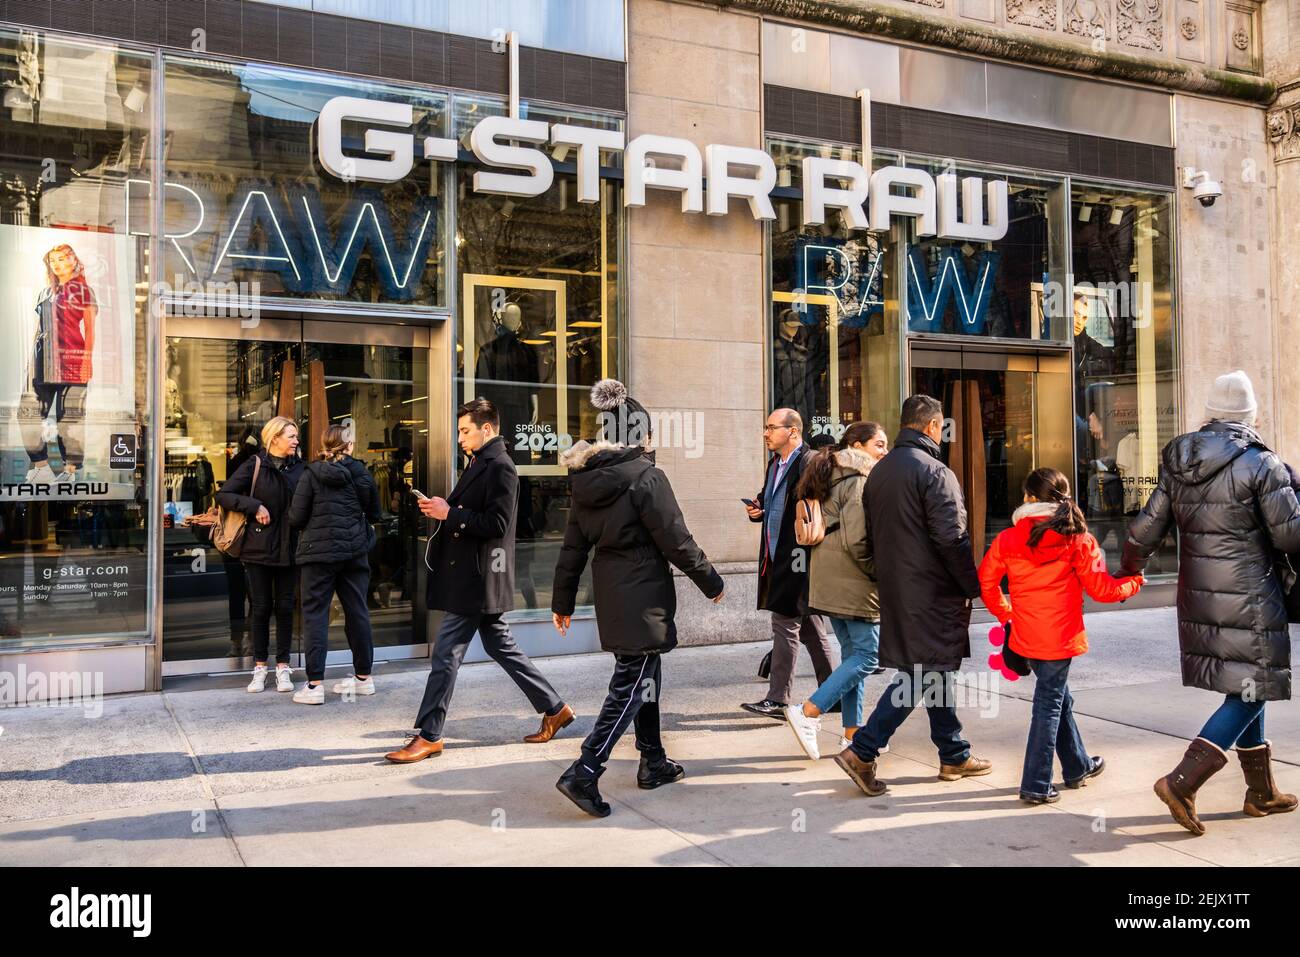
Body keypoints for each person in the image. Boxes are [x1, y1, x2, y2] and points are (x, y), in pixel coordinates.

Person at [1121, 370, 1300, 835]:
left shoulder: (1179, 462)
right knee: (1253, 685)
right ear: (1250, 415)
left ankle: (1261, 793)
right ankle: (1182, 782)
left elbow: (1145, 530)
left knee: (1246, 683)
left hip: (1198, 594)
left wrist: (1130, 566)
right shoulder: (1262, 464)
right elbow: (1290, 535)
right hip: (1252, 597)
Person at [551, 380, 724, 817]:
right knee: (630, 687)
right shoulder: (647, 477)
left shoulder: (586, 479)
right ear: (640, 436)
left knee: (644, 677)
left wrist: (562, 602)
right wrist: (712, 581)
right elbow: (676, 539)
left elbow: (573, 548)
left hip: (612, 595)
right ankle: (585, 770)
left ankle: (653, 761)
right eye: (649, 434)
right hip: (643, 596)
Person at [386, 399, 573, 763]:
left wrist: (449, 513)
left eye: (465, 430)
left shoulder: (500, 466)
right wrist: (445, 507)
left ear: (486, 429)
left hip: (478, 578)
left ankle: (429, 735)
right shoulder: (481, 463)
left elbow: (498, 525)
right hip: (475, 577)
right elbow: (473, 514)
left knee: (445, 654)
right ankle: (555, 709)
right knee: (501, 647)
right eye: (459, 431)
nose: (460, 438)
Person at [834, 394, 992, 797]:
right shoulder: (936, 472)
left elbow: (868, 537)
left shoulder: (879, 472)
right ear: (933, 427)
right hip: (933, 591)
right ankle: (863, 749)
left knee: (934, 667)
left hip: (898, 589)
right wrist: (971, 587)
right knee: (922, 672)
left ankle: (953, 752)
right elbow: (952, 539)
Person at [979, 467, 1143, 804]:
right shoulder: (1078, 538)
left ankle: (1077, 766)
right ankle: (1036, 783)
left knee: (1058, 699)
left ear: (1028, 498)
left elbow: (987, 582)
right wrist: (1134, 582)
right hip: (1060, 637)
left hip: (1025, 635)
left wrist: (1006, 613)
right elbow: (1101, 589)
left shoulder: (1009, 538)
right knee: (1050, 704)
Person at [784, 421, 889, 761]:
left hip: (828, 579)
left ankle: (852, 734)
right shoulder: (858, 479)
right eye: (879, 444)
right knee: (868, 656)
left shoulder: (828, 473)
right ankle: (809, 711)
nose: (884, 451)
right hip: (853, 580)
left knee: (853, 655)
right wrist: (879, 574)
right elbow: (859, 540)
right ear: (857, 446)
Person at [741, 408, 834, 719]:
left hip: (799, 558)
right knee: (810, 628)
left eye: (771, 428)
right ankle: (833, 694)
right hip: (778, 555)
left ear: (793, 431)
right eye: (766, 428)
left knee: (785, 625)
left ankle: (778, 699)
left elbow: (822, 508)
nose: (766, 433)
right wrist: (761, 509)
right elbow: (777, 502)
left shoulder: (810, 461)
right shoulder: (775, 463)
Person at [286, 424, 382, 705]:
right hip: (353, 552)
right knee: (357, 611)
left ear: (323, 445)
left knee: (315, 615)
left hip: (318, 555)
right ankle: (364, 678)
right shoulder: (361, 473)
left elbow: (296, 518)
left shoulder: (310, 474)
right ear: (349, 446)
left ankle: (314, 686)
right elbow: (375, 512)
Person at [216, 416, 306, 693]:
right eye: (291, 436)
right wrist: (254, 506)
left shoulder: (302, 469)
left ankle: (282, 666)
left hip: (291, 548)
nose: (296, 441)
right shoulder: (255, 464)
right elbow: (225, 494)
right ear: (274, 438)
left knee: (285, 606)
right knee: (261, 607)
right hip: (258, 549)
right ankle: (259, 667)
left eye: (296, 436)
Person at [20, 243, 95, 484]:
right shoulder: (44, 293)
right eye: (53, 261)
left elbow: (90, 329)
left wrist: (87, 360)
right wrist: (29, 361)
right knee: (28, 412)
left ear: (73, 261)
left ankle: (70, 471)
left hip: (72, 358)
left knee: (70, 418)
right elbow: (38, 329)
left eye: (63, 259)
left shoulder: (84, 292)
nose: (58, 264)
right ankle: (40, 465)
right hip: (42, 360)